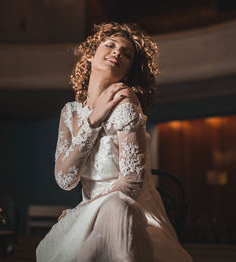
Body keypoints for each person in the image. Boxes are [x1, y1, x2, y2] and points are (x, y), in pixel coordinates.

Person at [36, 22, 192, 262]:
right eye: (110, 45)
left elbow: (132, 182)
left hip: (131, 207)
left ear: (128, 72)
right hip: (90, 211)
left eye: (126, 53)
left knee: (118, 209)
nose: (117, 52)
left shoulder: (125, 103)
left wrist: (80, 213)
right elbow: (65, 180)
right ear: (90, 56)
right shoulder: (69, 112)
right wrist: (92, 121)